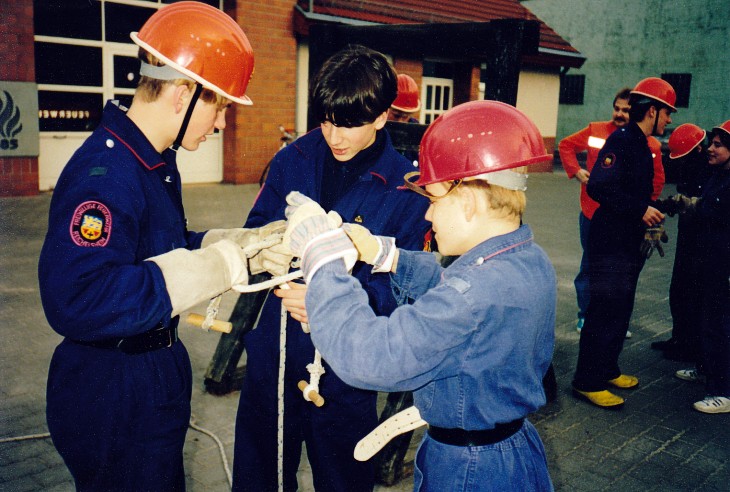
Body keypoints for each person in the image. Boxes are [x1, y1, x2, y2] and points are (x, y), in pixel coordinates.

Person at [37, 3, 291, 489]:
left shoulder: (151, 161)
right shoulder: (107, 175)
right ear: (182, 94)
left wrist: (236, 246)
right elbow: (78, 298)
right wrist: (218, 266)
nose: (220, 124)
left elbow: (154, 249)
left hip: (147, 370)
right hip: (114, 386)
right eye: (219, 105)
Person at [282, 99, 556, 491]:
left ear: (468, 203)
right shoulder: (526, 260)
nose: (426, 216)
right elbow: (459, 284)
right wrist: (386, 255)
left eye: (433, 200)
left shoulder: (470, 298)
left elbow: (371, 356)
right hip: (511, 453)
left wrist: (323, 259)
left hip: (468, 471)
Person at [232, 45, 432, 491]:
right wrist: (269, 252)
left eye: (349, 123)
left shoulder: (406, 189)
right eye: (326, 121)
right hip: (276, 350)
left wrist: (335, 301)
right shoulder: (292, 160)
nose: (334, 136)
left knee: (343, 477)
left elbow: (404, 288)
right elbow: (255, 231)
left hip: (347, 364)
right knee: (259, 472)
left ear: (382, 116)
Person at [572, 77, 675, 410]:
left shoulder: (642, 144)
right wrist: (640, 210)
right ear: (653, 111)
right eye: (667, 113)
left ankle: (608, 368)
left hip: (626, 241)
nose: (669, 120)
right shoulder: (622, 140)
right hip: (609, 242)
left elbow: (637, 193)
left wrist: (654, 214)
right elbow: (598, 186)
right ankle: (586, 381)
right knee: (603, 310)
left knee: (620, 308)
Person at [559, 87, 665, 335]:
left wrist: (644, 207)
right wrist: (576, 171)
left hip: (625, 217)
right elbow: (565, 146)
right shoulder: (596, 130)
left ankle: (612, 323)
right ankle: (586, 316)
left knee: (619, 273)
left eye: (626, 110)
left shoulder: (650, 144)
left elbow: (657, 179)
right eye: (616, 108)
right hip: (592, 212)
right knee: (590, 266)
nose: (619, 114)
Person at [668, 120, 730, 413]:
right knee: (707, 319)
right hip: (711, 261)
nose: (711, 148)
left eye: (719, 144)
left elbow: (713, 209)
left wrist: (693, 205)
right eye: (712, 142)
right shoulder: (718, 175)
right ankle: (706, 368)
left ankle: (723, 392)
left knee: (719, 325)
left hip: (723, 265)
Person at [651, 124, 710, 362]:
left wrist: (686, 204)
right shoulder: (692, 168)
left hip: (703, 242)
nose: (680, 162)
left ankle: (689, 345)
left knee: (692, 292)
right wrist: (666, 205)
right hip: (688, 238)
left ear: (697, 150)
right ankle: (679, 338)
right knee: (678, 289)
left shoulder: (711, 172)